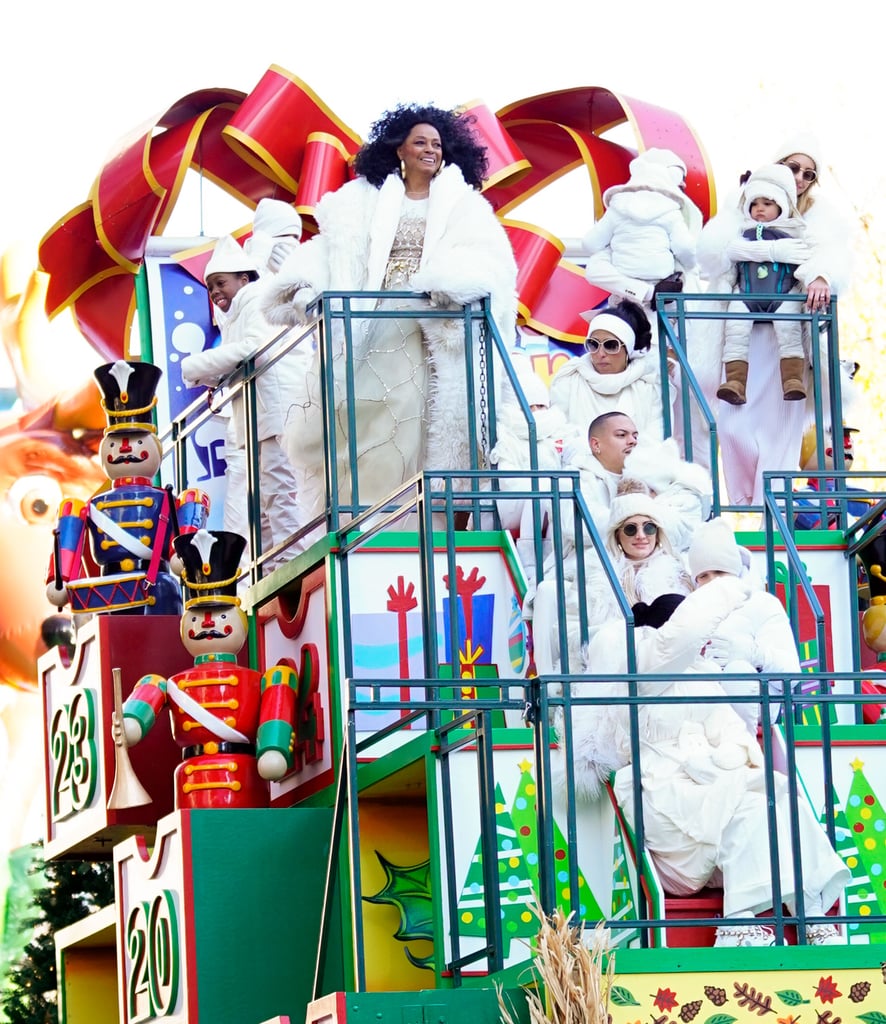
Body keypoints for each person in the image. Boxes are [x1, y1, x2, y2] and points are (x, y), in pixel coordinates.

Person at [261, 103, 518, 521]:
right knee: (359, 412)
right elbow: (333, 249)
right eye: (420, 142)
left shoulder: (464, 206)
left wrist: (452, 281)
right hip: (370, 315)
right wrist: (304, 285)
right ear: (400, 149)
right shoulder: (362, 200)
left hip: (427, 322)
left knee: (412, 412)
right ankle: (362, 518)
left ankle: (412, 519)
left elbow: (491, 262)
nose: (430, 150)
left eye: (437, 143)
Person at [571, 577, 848, 947]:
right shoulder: (639, 676)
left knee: (778, 802)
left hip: (712, 786)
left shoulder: (707, 678)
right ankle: (738, 923)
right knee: (747, 810)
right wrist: (726, 587)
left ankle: (809, 909)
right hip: (663, 792)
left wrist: (726, 757)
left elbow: (733, 732)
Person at [694, 133, 853, 507]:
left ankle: (775, 504)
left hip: (788, 334)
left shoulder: (821, 217)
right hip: (740, 332)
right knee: (732, 421)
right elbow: (712, 254)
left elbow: (833, 257)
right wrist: (766, 249)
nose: (799, 177)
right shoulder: (743, 204)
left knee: (783, 421)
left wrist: (820, 275)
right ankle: (745, 497)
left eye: (809, 174)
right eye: (792, 167)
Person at [117, 529, 299, 808]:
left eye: (221, 616)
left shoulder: (261, 679)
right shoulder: (169, 683)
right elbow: (147, 698)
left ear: (240, 620)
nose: (207, 625)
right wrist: (130, 719)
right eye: (198, 617)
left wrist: (274, 747)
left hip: (243, 777)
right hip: (191, 783)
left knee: (279, 679)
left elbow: (276, 703)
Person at [45, 360, 210, 618]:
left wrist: (184, 555)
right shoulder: (86, 506)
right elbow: (67, 545)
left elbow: (183, 542)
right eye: (117, 443)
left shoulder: (168, 499)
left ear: (154, 446)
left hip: (155, 584)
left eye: (135, 441)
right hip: (105, 590)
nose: (125, 450)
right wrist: (61, 578)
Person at [180, 235, 307, 567]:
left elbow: (254, 350)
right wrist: (209, 375)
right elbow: (238, 363)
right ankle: (277, 576)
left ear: (245, 278)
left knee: (282, 498)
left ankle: (293, 572)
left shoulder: (256, 299)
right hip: (263, 420)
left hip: (279, 415)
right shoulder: (240, 311)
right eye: (210, 288)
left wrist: (193, 367)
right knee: (268, 504)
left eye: (220, 283)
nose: (215, 292)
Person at [688, 517, 801, 734]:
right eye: (704, 575)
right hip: (706, 700)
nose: (713, 581)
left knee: (737, 672)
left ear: (735, 571)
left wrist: (751, 653)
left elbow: (791, 672)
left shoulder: (762, 603)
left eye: (720, 572)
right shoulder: (690, 609)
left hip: (757, 699)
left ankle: (744, 751)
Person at [717, 164, 810, 405]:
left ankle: (792, 380)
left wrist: (808, 283)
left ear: (780, 206)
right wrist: (724, 289)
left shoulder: (793, 233)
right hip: (745, 295)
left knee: (789, 332)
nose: (760, 209)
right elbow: (728, 266)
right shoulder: (740, 233)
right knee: (735, 331)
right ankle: (735, 382)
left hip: (783, 296)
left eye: (767, 204)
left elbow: (805, 266)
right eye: (755, 204)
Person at [583, 149, 698, 315]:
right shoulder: (671, 212)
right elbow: (686, 248)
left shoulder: (617, 209)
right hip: (665, 304)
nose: (683, 188)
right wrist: (690, 264)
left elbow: (589, 243)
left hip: (625, 305)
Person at [549, 299, 670, 442]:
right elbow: (558, 432)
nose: (601, 353)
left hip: (637, 463)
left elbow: (656, 439)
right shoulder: (570, 378)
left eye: (611, 345)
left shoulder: (649, 384)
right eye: (593, 344)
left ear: (628, 350)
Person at [243, 197, 303, 276]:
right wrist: (257, 263)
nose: (291, 241)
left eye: (295, 237)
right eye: (284, 235)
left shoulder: (303, 273)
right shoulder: (232, 268)